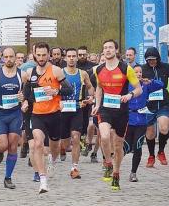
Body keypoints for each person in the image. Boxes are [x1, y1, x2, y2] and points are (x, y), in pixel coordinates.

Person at [23, 42, 73, 193]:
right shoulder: (29, 73)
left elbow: (69, 89)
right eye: (39, 55)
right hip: (37, 114)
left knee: (55, 147)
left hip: (54, 114)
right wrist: (25, 100)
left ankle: (52, 159)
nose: (41, 57)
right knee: (38, 143)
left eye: (44, 55)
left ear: (49, 55)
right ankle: (42, 180)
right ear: (34, 55)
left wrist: (55, 91)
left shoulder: (56, 71)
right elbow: (26, 93)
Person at [91, 39, 142, 191]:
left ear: (116, 50)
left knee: (118, 145)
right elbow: (99, 88)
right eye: (105, 48)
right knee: (105, 137)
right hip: (105, 109)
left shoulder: (126, 68)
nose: (107, 50)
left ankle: (116, 173)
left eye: (110, 48)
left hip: (122, 111)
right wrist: (97, 104)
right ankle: (107, 162)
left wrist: (130, 95)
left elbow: (138, 88)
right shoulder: (98, 69)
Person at [0, 47, 28, 189]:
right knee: (3, 145)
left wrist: (25, 100)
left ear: (16, 58)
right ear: (2, 58)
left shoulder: (23, 75)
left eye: (11, 57)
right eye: (6, 57)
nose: (9, 59)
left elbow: (28, 92)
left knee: (13, 145)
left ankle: (8, 178)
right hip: (0, 114)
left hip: (15, 114)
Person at [60, 48, 94, 179]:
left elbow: (90, 87)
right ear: (65, 58)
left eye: (74, 56)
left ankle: (74, 167)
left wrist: (91, 98)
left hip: (77, 108)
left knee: (76, 137)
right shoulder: (60, 72)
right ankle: (62, 148)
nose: (72, 58)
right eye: (69, 56)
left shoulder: (83, 73)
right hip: (62, 110)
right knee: (65, 142)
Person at [142, 47, 169, 167]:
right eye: (149, 60)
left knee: (164, 128)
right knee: (150, 133)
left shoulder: (166, 67)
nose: (151, 62)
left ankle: (161, 151)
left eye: (153, 59)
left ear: (158, 58)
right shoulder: (142, 69)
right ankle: (151, 155)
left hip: (164, 102)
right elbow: (135, 83)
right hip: (148, 104)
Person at [125, 65, 163, 182]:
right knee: (125, 147)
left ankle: (133, 173)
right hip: (128, 119)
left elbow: (161, 85)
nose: (139, 74)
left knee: (138, 146)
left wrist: (150, 81)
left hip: (141, 120)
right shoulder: (126, 85)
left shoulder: (145, 85)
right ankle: (112, 167)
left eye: (140, 72)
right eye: (136, 72)